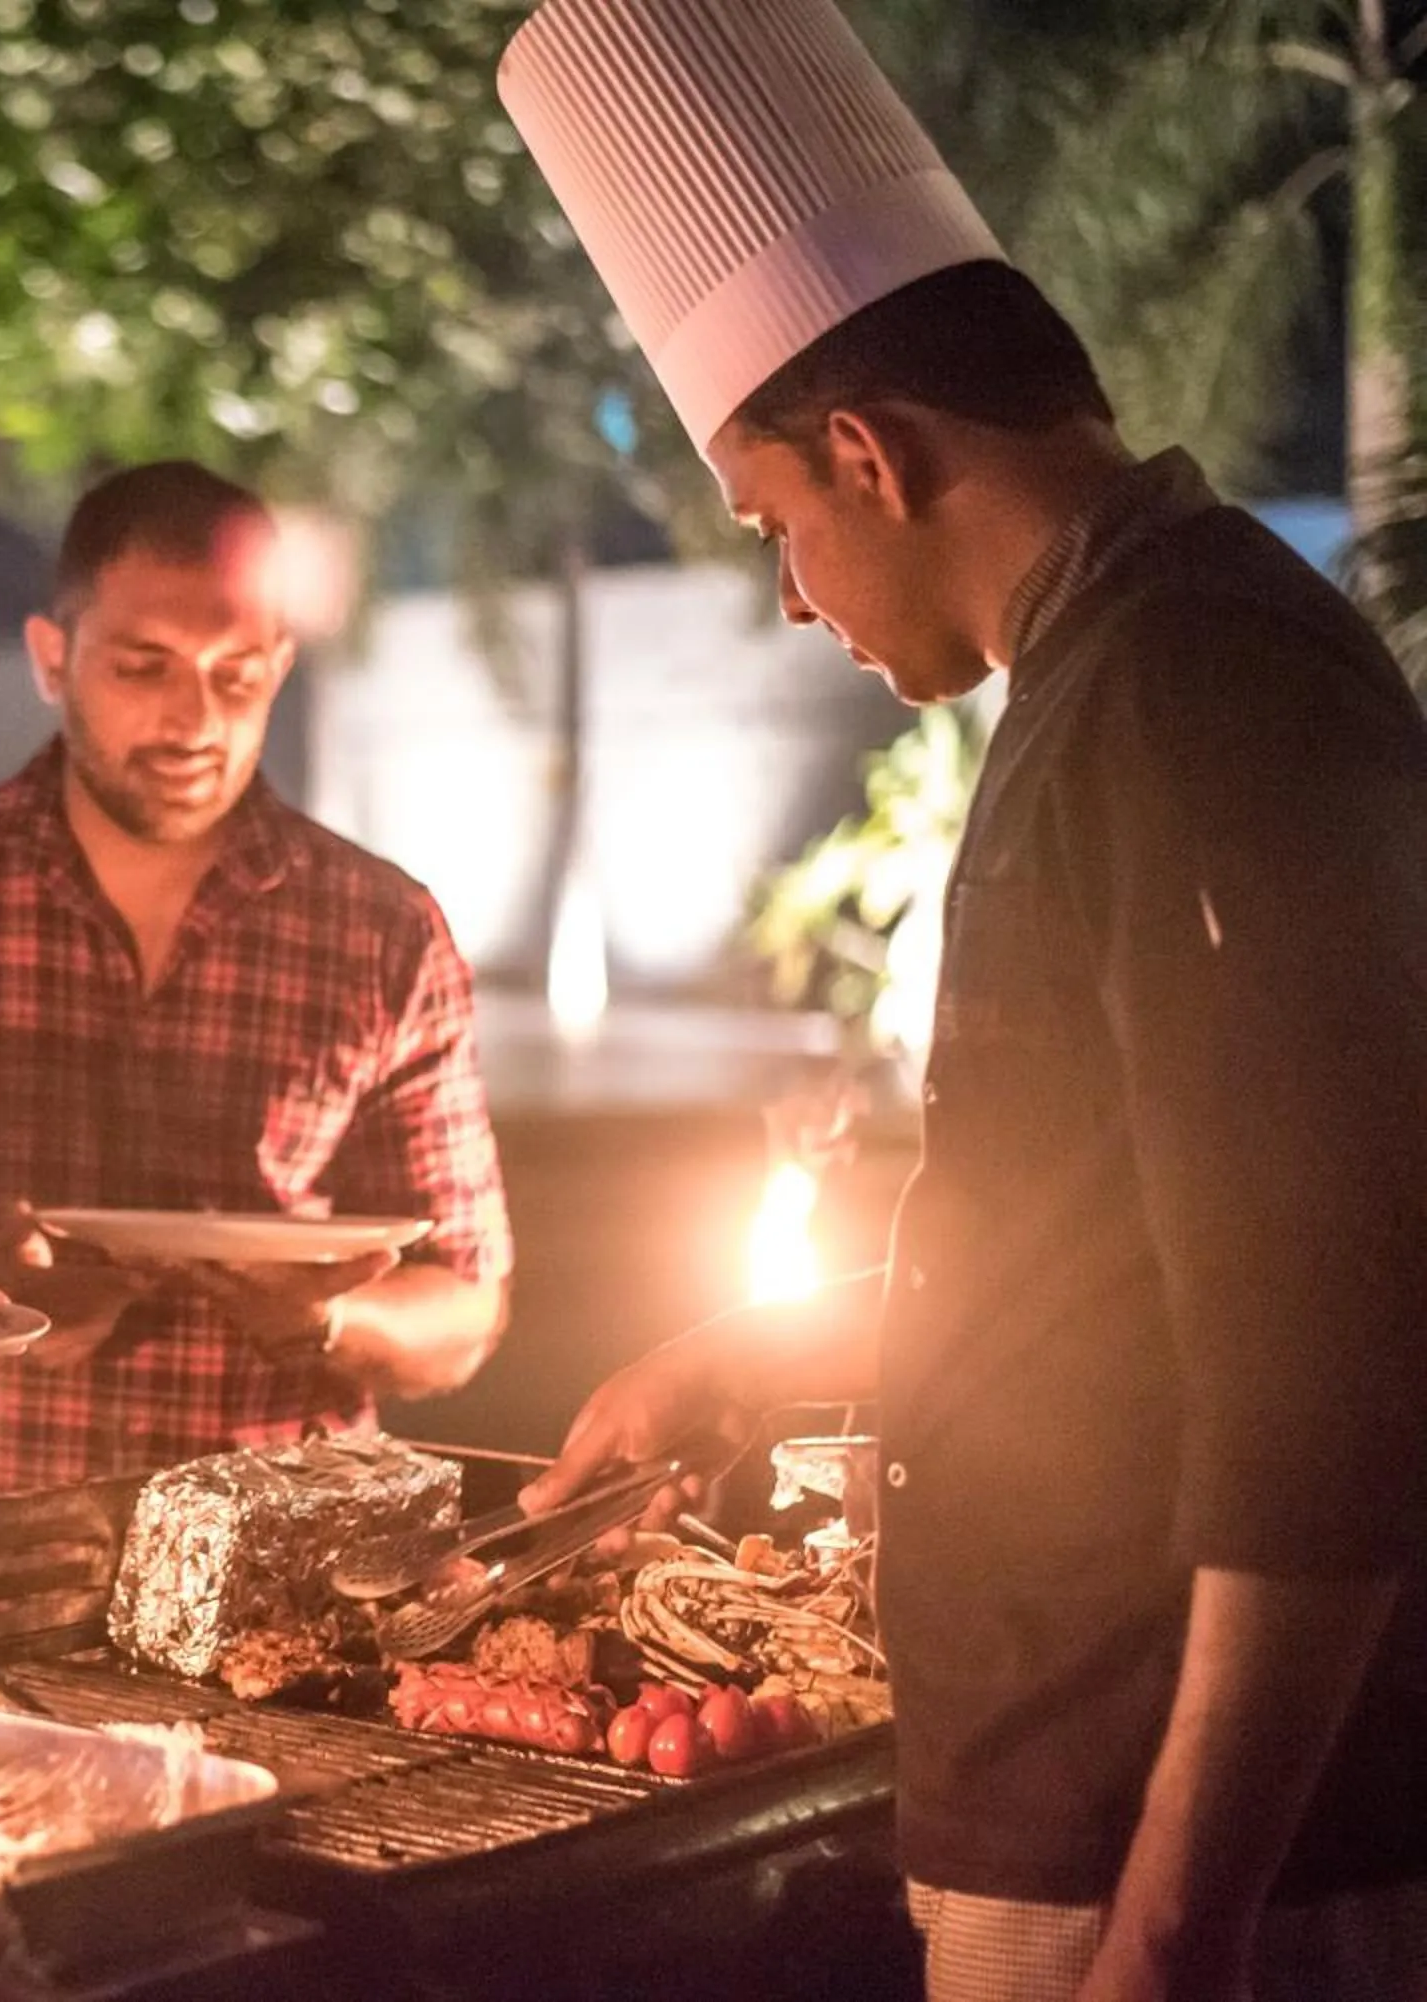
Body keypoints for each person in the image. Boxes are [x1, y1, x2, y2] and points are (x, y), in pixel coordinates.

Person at [498, 4, 1427, 1998]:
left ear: (866, 452)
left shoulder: (1199, 689)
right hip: (1074, 1801)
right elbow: (1117, 1255)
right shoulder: (1110, 668)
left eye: (774, 532)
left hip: (1167, 1842)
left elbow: (1326, 1360)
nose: (793, 600)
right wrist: (762, 1345)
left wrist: (1178, 1919)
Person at [0, 461, 512, 1504]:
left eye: (235, 675)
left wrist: (326, 1317)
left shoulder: (381, 931)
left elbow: (465, 1307)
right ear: (53, 659)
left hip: (283, 1558)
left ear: (278, 666)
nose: (194, 719)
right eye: (143, 666)